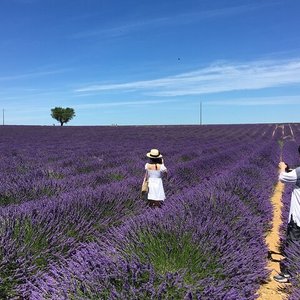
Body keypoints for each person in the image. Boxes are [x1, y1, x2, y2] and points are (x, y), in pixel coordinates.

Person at [273, 146, 300, 283]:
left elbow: (283, 178)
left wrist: (283, 167)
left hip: (297, 218)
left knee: (293, 243)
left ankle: (289, 274)